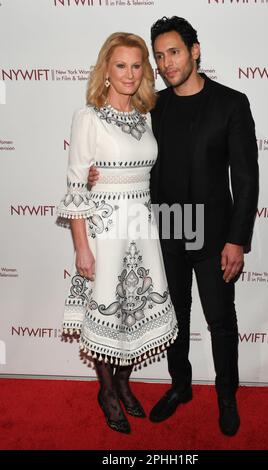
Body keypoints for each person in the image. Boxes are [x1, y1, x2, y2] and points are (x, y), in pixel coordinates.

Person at [88, 17, 259, 436]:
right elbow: (128, 154)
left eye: (175, 52)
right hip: (164, 229)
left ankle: (225, 395)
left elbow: (247, 179)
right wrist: (97, 174)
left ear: (195, 50)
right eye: (159, 56)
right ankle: (180, 386)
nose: (166, 63)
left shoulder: (232, 103)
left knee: (221, 320)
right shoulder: (153, 107)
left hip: (214, 234)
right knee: (174, 317)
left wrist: (237, 239)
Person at [57, 32, 178, 435]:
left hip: (141, 227)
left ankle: (124, 383)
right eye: (120, 65)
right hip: (105, 230)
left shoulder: (146, 116)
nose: (129, 73)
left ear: (144, 70)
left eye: (136, 65)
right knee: (108, 309)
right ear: (106, 71)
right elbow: (76, 186)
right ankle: (107, 391)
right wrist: (81, 249)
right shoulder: (87, 117)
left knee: (135, 309)